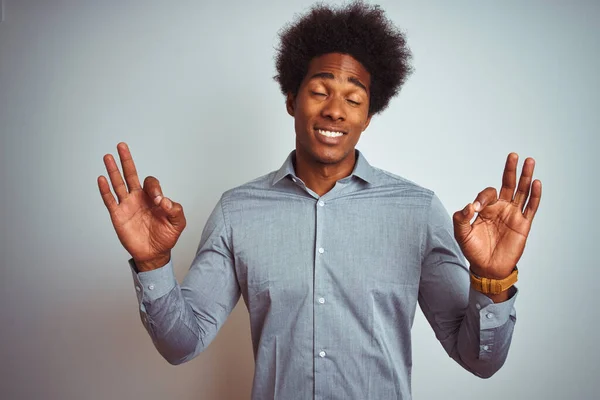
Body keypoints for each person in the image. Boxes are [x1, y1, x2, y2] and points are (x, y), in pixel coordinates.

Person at [98, 2, 541, 399]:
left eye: (353, 98)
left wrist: (491, 279)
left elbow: (480, 361)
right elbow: (182, 343)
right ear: (292, 99)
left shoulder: (419, 212)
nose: (335, 110)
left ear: (368, 116)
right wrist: (153, 265)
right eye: (319, 91)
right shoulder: (237, 211)